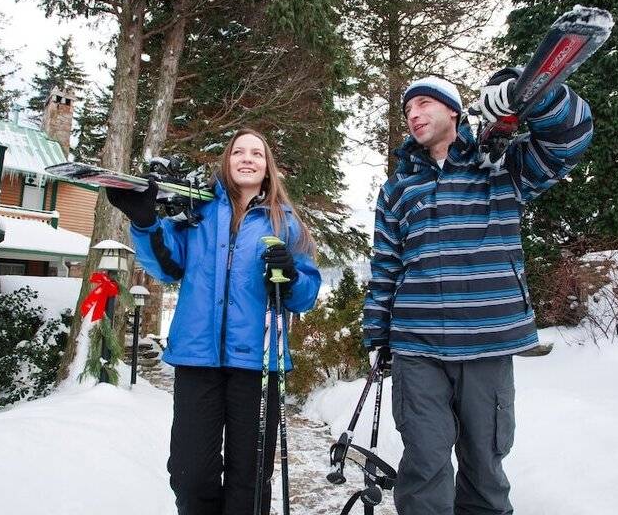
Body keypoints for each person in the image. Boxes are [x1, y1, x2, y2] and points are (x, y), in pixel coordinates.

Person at [363, 73, 593, 514]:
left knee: (485, 466)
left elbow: (571, 138)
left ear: (453, 110)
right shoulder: (397, 188)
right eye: (407, 109)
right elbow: (386, 266)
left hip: (488, 341)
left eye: (424, 103)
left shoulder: (502, 167)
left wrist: (528, 95)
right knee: (424, 464)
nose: (413, 114)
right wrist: (378, 335)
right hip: (417, 347)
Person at [106, 128, 321, 515]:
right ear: (226, 161)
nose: (247, 158)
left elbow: (306, 295)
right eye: (239, 151)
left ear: (267, 166)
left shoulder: (286, 223)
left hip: (258, 363)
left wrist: (290, 275)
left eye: (257, 153)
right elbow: (167, 267)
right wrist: (144, 223)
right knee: (190, 474)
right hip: (197, 358)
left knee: (249, 477)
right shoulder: (197, 214)